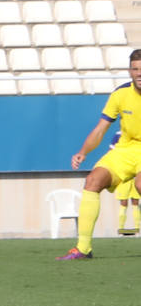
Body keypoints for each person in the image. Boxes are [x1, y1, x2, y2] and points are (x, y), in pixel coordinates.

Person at [57, 48, 141, 260]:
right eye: (135, 69)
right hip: (125, 150)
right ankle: (83, 248)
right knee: (92, 181)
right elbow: (100, 129)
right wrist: (83, 152)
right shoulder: (120, 94)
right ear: (130, 72)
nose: (139, 73)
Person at [107, 130, 140, 235]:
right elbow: (111, 152)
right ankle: (121, 229)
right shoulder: (118, 135)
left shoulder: (137, 133)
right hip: (123, 175)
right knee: (123, 202)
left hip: (136, 173)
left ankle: (137, 229)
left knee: (135, 202)